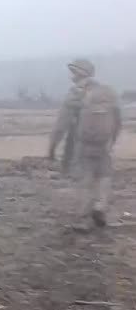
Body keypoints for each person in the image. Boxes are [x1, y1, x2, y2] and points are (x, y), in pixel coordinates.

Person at [49, 58, 122, 227]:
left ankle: (83, 218)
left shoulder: (75, 94)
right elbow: (118, 120)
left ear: (77, 73)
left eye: (72, 72)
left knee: (85, 180)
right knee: (104, 175)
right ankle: (100, 206)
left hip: (82, 144)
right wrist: (111, 141)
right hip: (104, 143)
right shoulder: (106, 92)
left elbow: (61, 125)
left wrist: (52, 147)